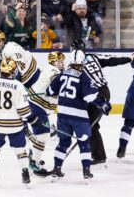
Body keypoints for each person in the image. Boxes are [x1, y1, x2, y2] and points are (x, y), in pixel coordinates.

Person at [46, 50, 112, 181]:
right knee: (84, 142)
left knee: (63, 142)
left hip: (63, 115)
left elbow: (50, 91)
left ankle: (57, 169)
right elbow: (90, 96)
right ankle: (86, 171)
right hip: (78, 115)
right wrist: (103, 103)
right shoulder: (83, 76)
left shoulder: (62, 74)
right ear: (82, 62)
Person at [70, 38, 133, 165]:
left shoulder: (74, 65)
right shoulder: (93, 57)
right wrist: (128, 58)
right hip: (104, 92)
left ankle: (99, 156)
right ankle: (98, 155)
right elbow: (111, 60)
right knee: (91, 125)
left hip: (96, 95)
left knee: (91, 126)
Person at [0, 58, 43, 186]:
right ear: (14, 71)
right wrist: (33, 120)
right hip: (14, 126)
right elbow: (24, 111)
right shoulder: (18, 86)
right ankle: (25, 173)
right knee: (20, 150)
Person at [25, 51, 66, 176]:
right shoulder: (53, 71)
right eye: (59, 61)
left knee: (42, 135)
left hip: (36, 104)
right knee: (43, 136)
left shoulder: (52, 69)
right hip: (37, 106)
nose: (62, 63)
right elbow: (56, 84)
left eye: (62, 61)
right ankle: (34, 163)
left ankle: (33, 154)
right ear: (53, 62)